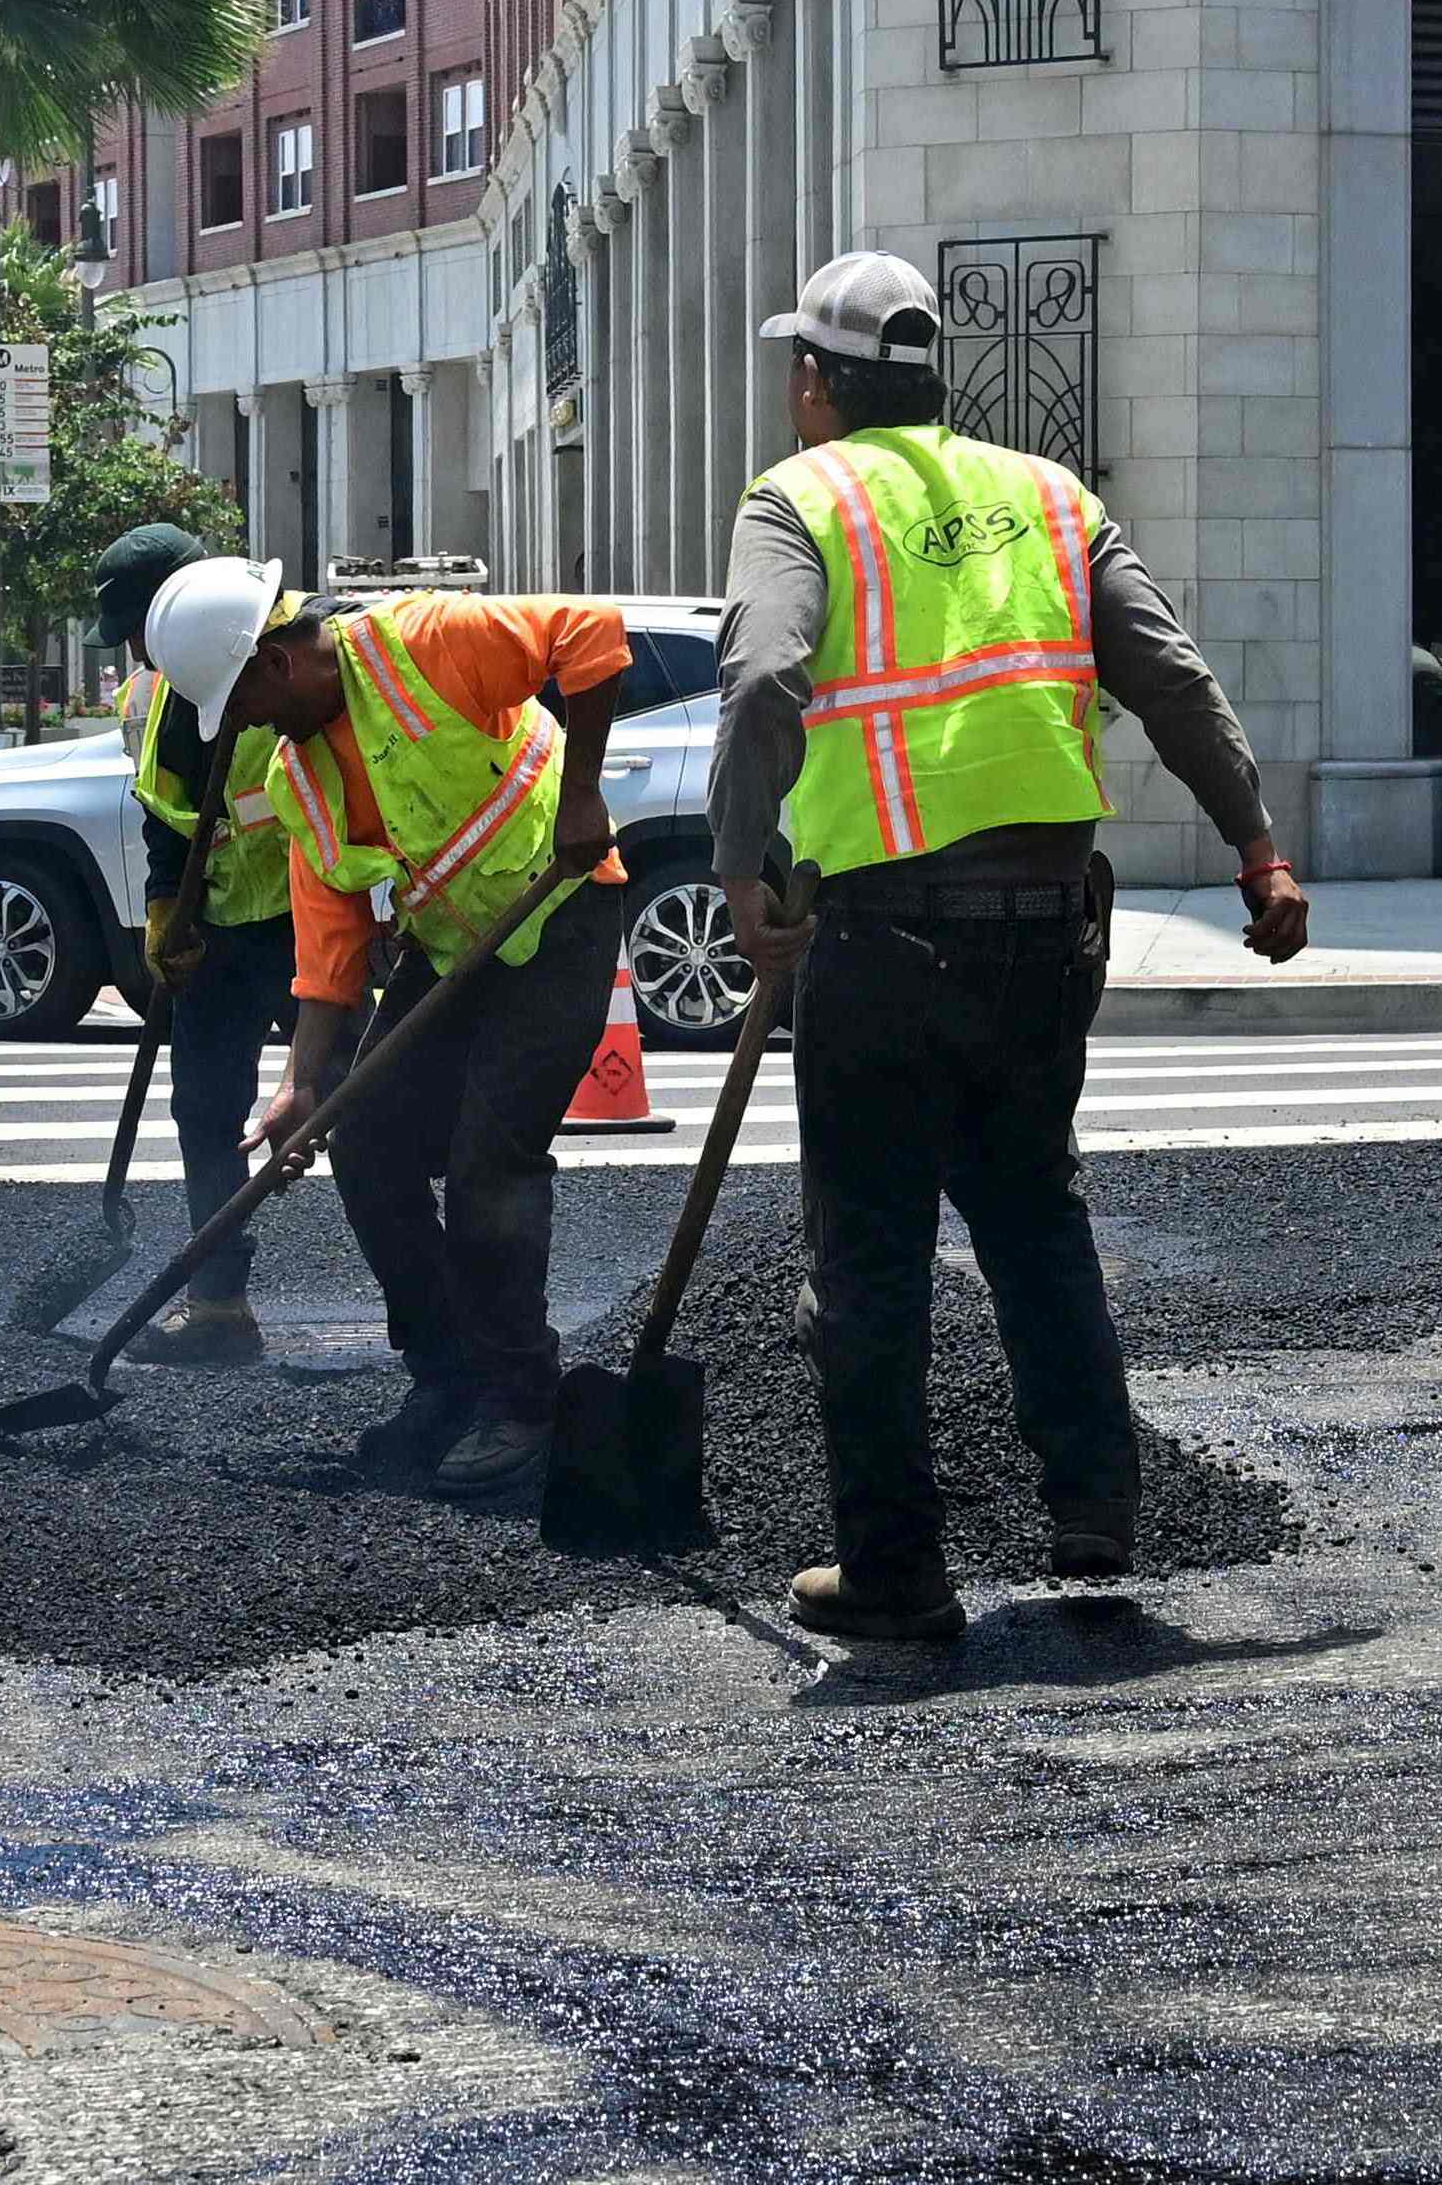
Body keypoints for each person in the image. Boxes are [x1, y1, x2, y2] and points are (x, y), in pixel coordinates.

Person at [709, 255, 1313, 1642]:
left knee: (868, 1255)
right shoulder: (1053, 497)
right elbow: (1168, 674)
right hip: (1048, 934)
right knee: (1036, 1215)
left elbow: (758, 681)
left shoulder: (796, 498)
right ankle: (1092, 1506)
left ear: (816, 383)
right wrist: (1257, 847)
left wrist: (741, 871)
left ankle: (897, 1574)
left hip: (879, 938)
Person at [149, 554, 629, 1497]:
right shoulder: (302, 779)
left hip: (560, 912)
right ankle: (449, 1379)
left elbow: (591, 633)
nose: (238, 728)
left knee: (493, 1159)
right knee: (365, 1139)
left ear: (277, 666)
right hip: (457, 945)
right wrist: (302, 1086)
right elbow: (327, 950)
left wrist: (583, 792)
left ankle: (523, 1400)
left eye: (238, 705)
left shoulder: (423, 642)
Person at [95, 522, 297, 1367]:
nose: (136, 652)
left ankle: (442, 1321)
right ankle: (219, 1307)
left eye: (139, 628)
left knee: (371, 1113)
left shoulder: (279, 651)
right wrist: (164, 905)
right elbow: (160, 811)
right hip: (217, 931)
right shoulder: (146, 696)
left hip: (310, 914)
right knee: (204, 1111)